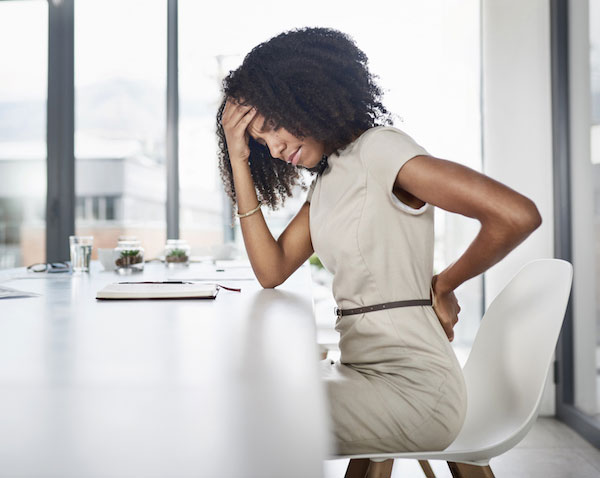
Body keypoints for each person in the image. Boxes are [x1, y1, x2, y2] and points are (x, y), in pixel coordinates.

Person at [216, 27, 541, 456]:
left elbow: (516, 215)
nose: (274, 150)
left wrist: (444, 284)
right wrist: (239, 159)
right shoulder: (330, 180)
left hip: (416, 393)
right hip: (362, 375)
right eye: (260, 143)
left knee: (248, 415)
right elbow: (271, 270)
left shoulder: (379, 150)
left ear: (308, 99)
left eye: (274, 127)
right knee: (238, 402)